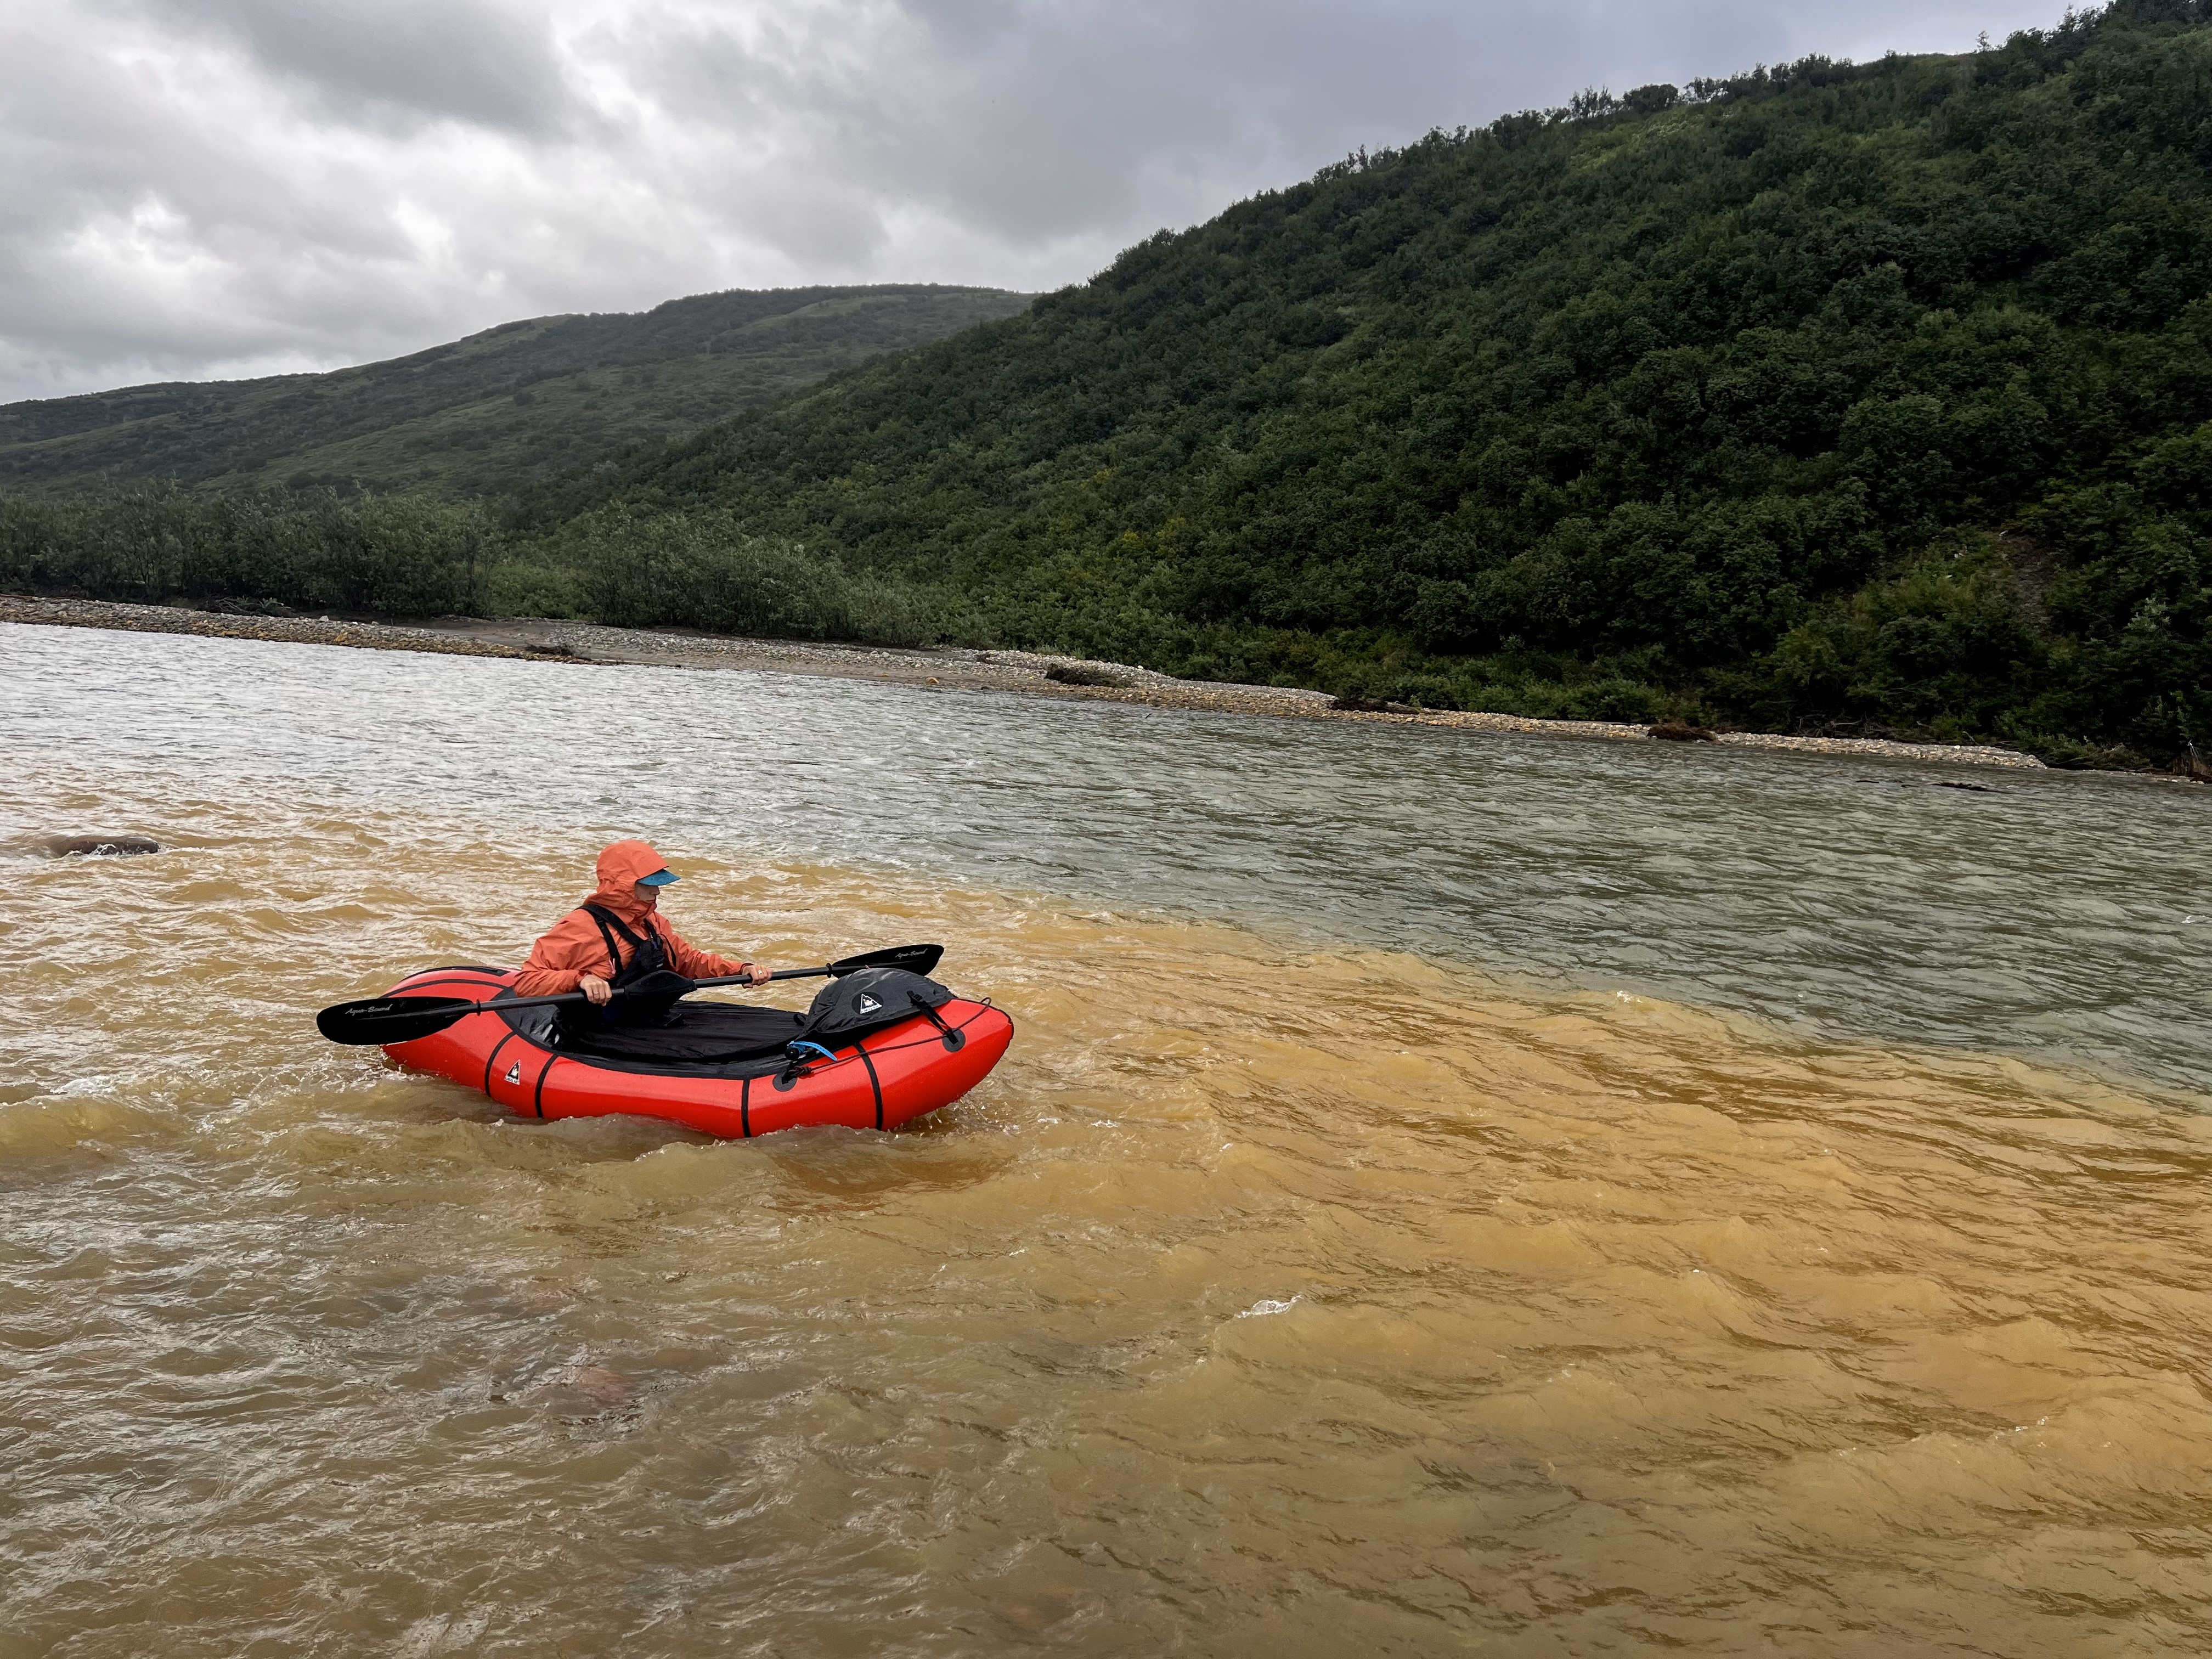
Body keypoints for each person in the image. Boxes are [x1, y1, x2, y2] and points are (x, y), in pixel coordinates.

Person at [516, 840, 771, 1041]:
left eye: (659, 883)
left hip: (644, 1021)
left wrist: (742, 969)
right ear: (623, 884)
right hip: (595, 1028)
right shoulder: (580, 927)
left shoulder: (653, 922)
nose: (657, 891)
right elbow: (526, 983)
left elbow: (688, 962)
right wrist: (581, 979)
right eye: (649, 883)